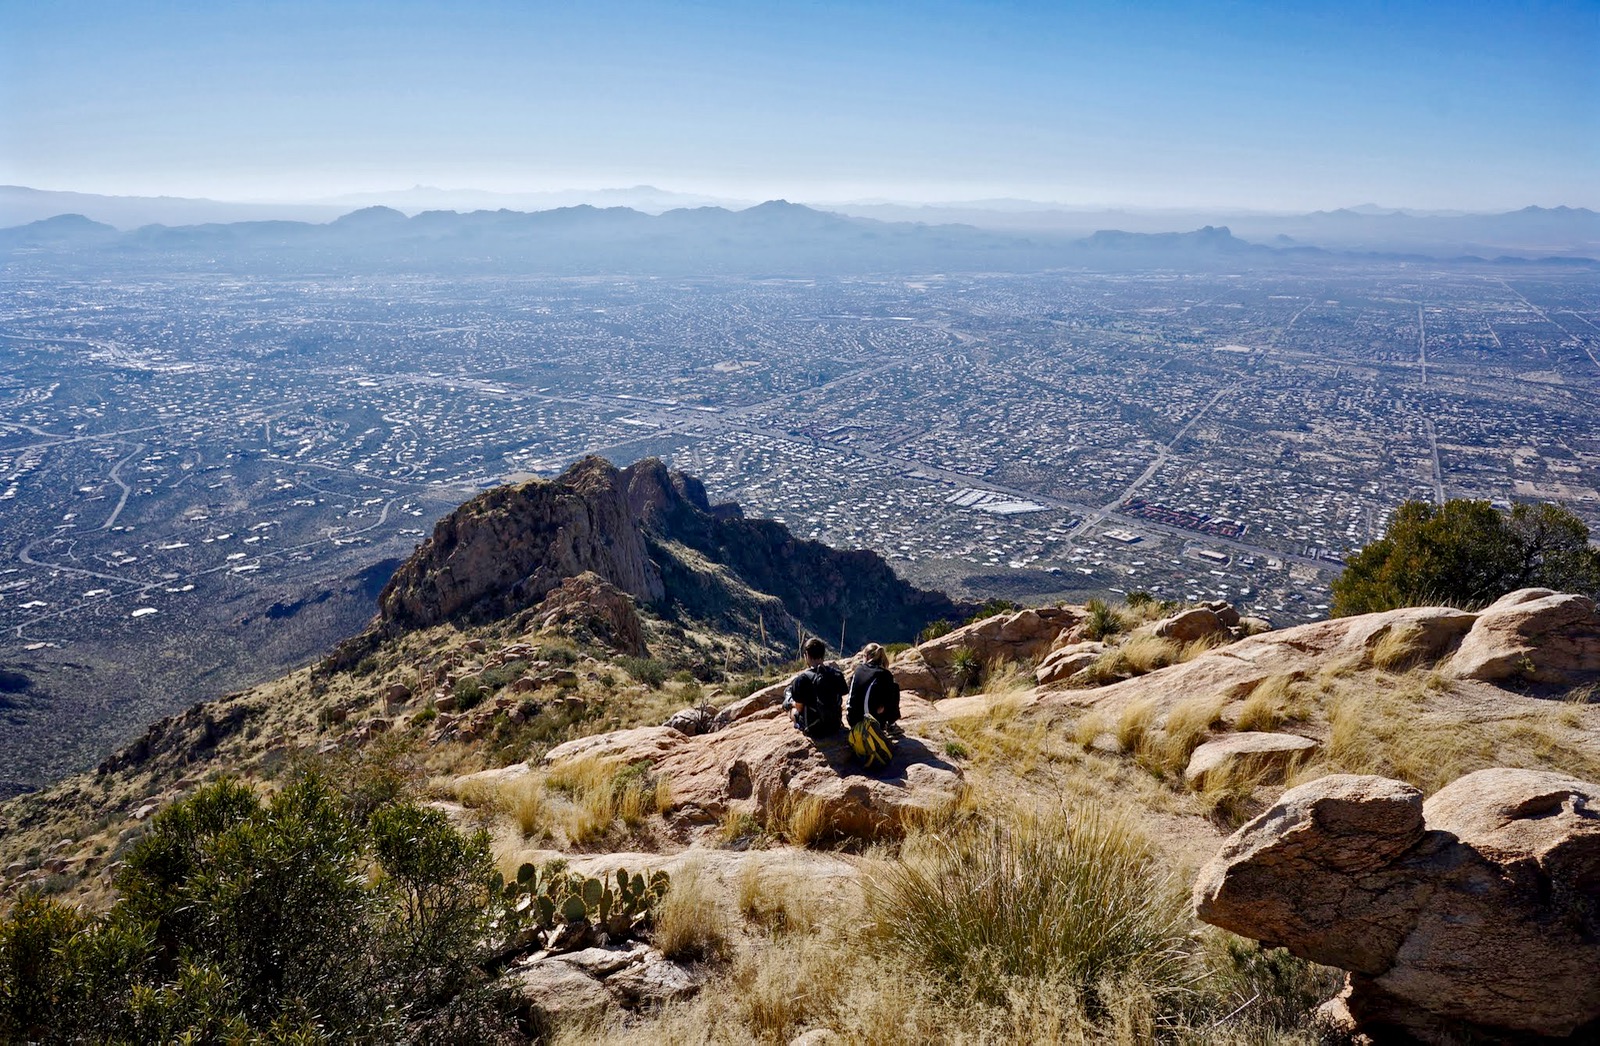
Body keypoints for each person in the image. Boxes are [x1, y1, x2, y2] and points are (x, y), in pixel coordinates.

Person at [782, 637, 846, 738]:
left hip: (814, 729)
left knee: (791, 709)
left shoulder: (801, 680)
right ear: (823, 654)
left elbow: (799, 708)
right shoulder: (837, 674)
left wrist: (791, 703)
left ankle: (788, 701)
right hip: (835, 725)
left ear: (806, 655)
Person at [847, 643, 901, 730]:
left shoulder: (858, 669)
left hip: (852, 720)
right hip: (871, 723)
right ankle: (892, 723)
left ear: (867, 656)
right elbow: (888, 699)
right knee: (894, 687)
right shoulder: (885, 674)